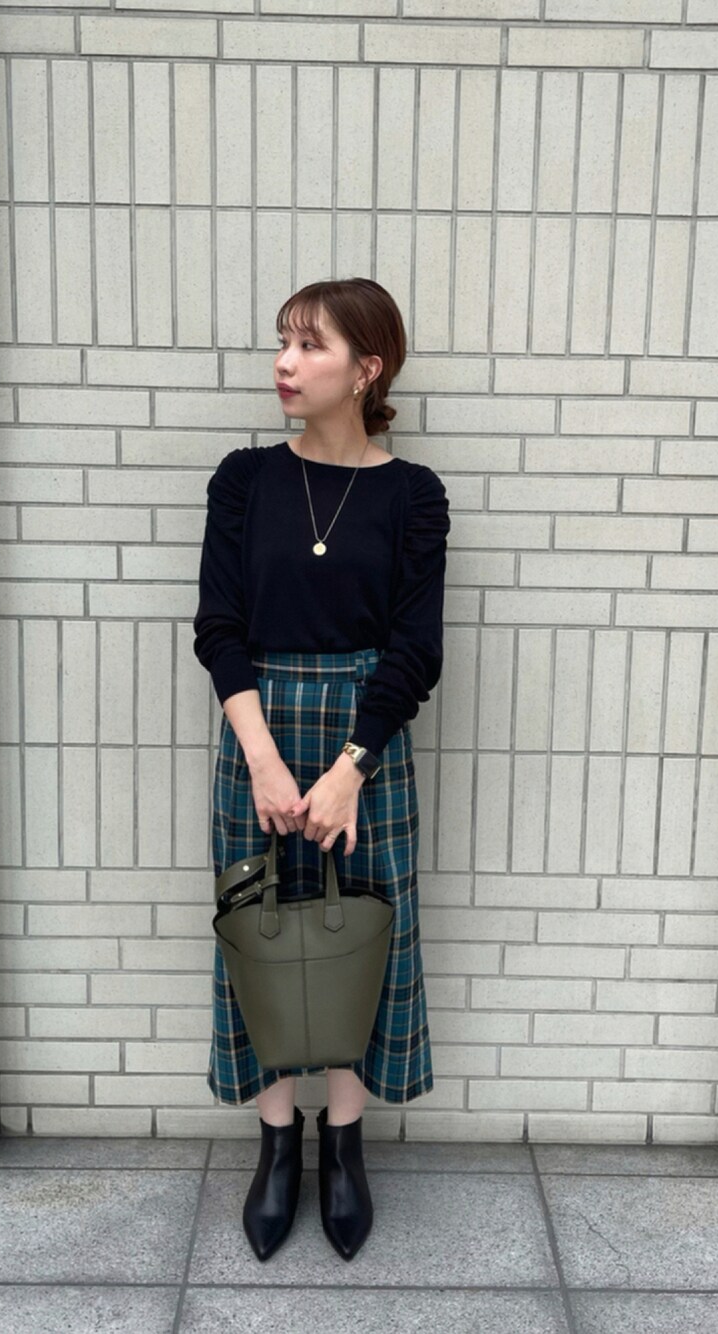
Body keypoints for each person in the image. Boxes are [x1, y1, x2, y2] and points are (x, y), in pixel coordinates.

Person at [192, 277, 450, 1263]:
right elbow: (218, 629)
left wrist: (350, 767)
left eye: (310, 345)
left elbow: (415, 650)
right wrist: (261, 759)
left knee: (359, 935)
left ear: (367, 368)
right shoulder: (244, 479)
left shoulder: (412, 494)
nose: (284, 362)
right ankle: (275, 1146)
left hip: (364, 744)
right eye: (282, 341)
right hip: (256, 731)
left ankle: (342, 1144)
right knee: (260, 931)